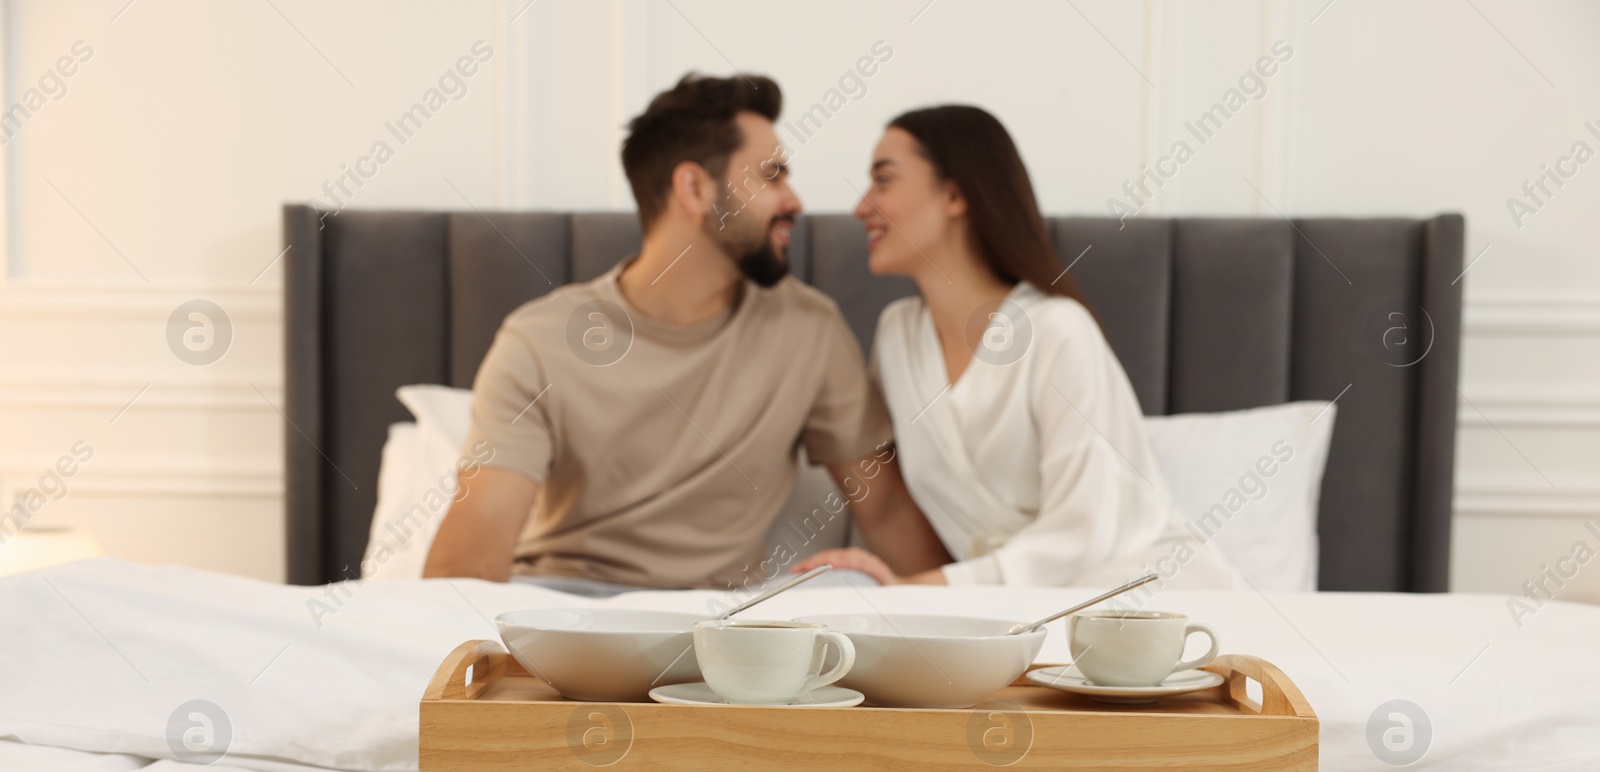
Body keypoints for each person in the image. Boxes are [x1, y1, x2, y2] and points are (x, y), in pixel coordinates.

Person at [423, 74, 950, 594]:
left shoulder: (809, 328)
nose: (794, 201)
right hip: (565, 606)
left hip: (719, 625)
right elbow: (470, 560)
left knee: (851, 587)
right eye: (772, 176)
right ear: (695, 188)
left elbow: (884, 511)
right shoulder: (539, 341)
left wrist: (963, 618)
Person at [793, 106, 1237, 589]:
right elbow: (891, 502)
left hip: (1134, 594)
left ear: (955, 194)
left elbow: (1087, 529)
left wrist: (928, 590)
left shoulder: (1058, 332)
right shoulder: (898, 335)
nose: (862, 206)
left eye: (883, 181)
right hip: (999, 615)